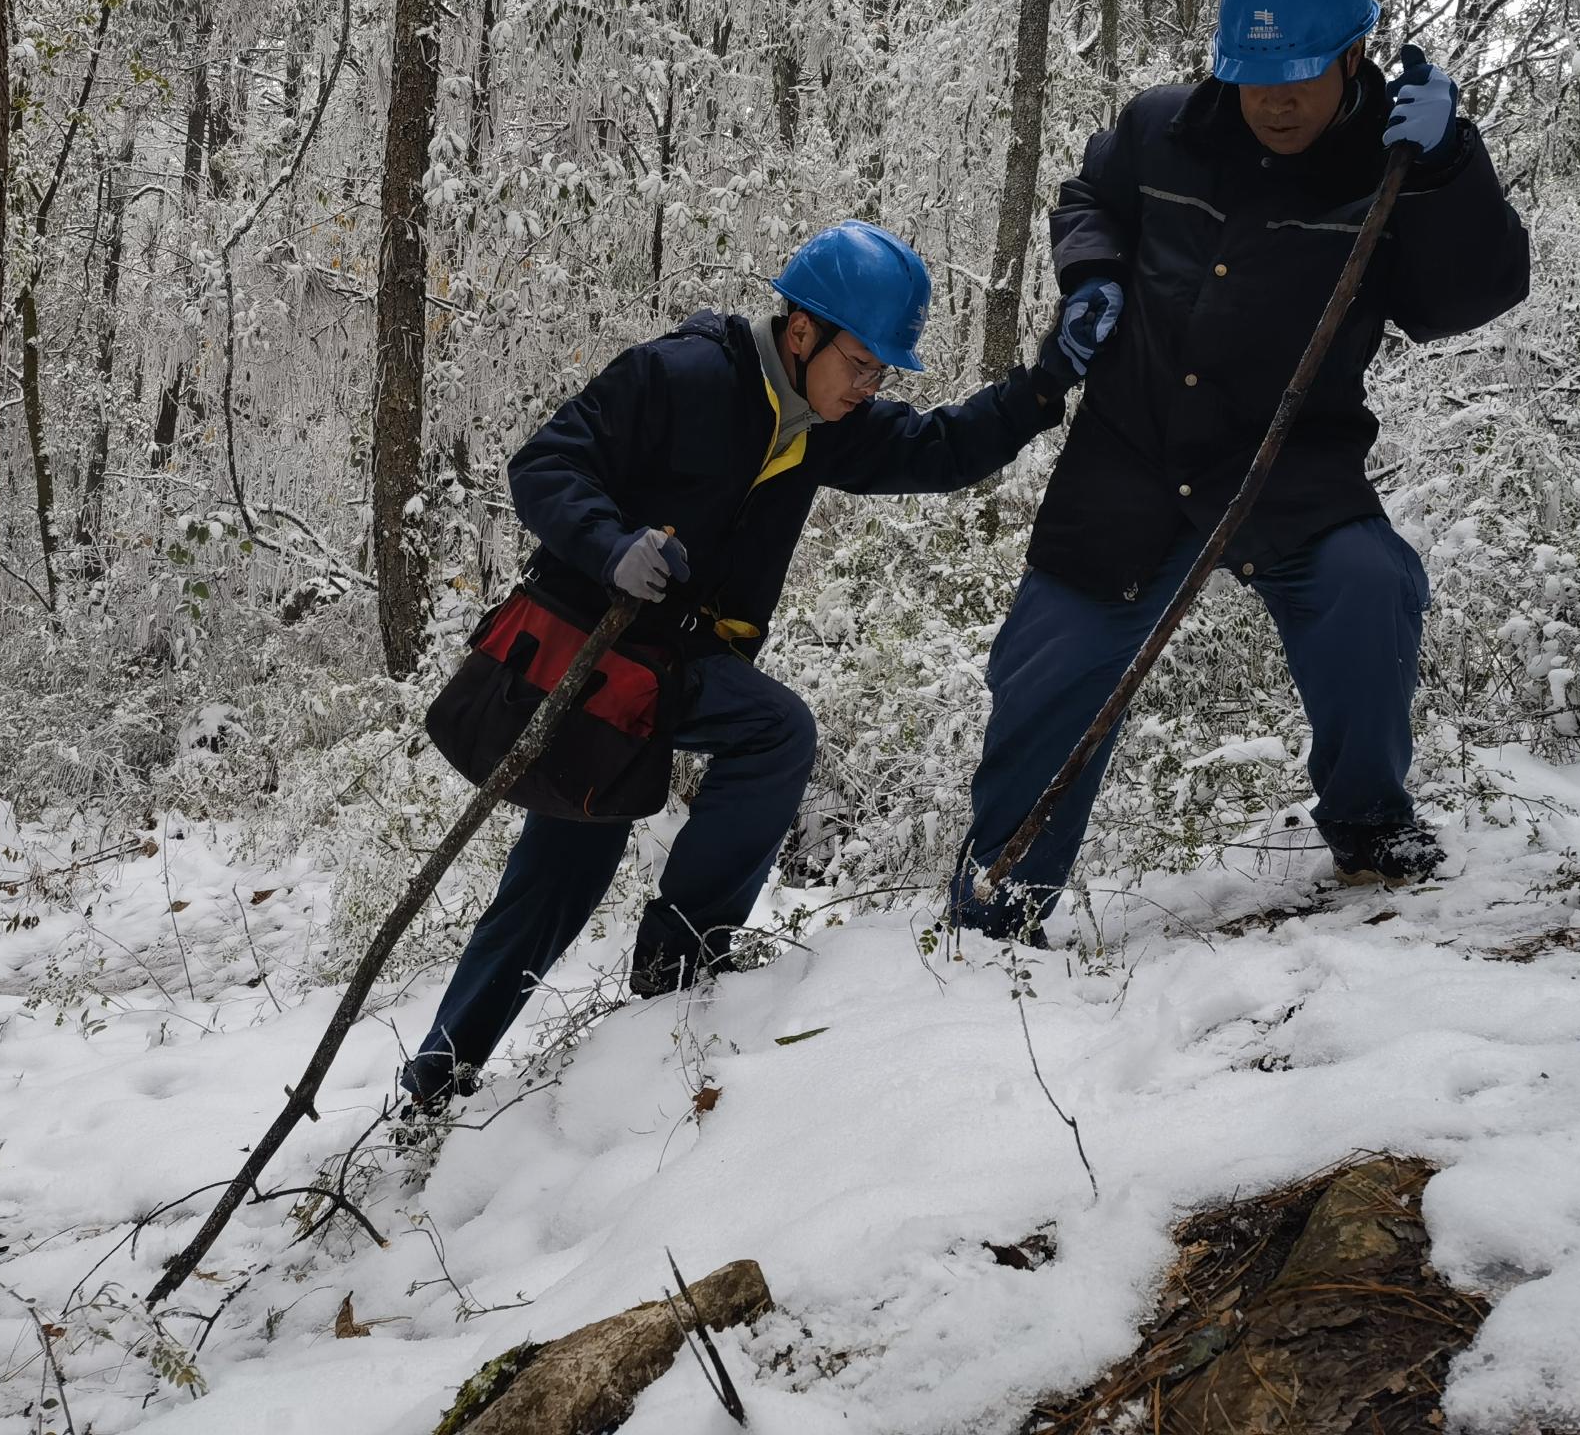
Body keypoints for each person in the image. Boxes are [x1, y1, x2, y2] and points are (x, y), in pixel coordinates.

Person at [402, 221, 1101, 1109]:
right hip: (590, 666)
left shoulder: (822, 422)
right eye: (862, 361)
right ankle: (434, 1085)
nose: (870, 384)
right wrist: (611, 544)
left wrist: (1046, 385)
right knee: (553, 883)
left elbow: (940, 450)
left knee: (770, 733)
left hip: (673, 668)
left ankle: (679, 964)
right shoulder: (676, 377)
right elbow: (547, 464)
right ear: (801, 331)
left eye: (884, 370)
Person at [950, 0, 1532, 938]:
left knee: (1370, 587)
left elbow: (1464, 298)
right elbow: (1090, 196)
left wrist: (1448, 171)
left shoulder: (1391, 168)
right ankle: (998, 901)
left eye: (1301, 73)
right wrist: (1089, 274)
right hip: (1129, 460)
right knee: (1044, 669)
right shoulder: (1160, 129)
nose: (1275, 99)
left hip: (1287, 467)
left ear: (1356, 54)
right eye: (1256, 74)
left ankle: (1368, 822)